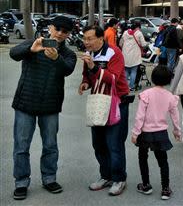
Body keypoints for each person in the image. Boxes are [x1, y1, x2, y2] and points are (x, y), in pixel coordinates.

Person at [10, 16, 77, 200]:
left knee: (50, 145)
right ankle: (21, 182)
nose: (60, 34)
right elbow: (13, 54)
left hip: (50, 105)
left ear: (69, 34)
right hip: (25, 103)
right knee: (21, 146)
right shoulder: (35, 43)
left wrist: (56, 58)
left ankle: (49, 178)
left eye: (65, 31)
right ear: (50, 28)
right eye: (58, 29)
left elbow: (67, 70)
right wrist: (31, 49)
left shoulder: (68, 54)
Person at [79, 25, 131, 196]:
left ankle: (119, 178)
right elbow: (87, 75)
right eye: (84, 38)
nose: (86, 42)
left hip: (117, 102)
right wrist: (85, 82)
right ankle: (106, 175)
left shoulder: (114, 53)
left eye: (90, 38)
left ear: (101, 39)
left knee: (114, 143)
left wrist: (94, 67)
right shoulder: (90, 54)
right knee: (98, 142)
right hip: (99, 102)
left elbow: (113, 79)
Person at [131, 65, 181, 200]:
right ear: (168, 80)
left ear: (152, 78)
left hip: (145, 132)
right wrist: (177, 131)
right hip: (161, 132)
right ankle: (165, 188)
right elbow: (175, 116)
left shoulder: (146, 94)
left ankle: (146, 185)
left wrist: (135, 133)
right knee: (163, 161)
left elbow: (140, 116)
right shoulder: (170, 97)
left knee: (143, 158)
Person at [119, 21, 148, 91]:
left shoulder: (125, 32)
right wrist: (147, 43)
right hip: (135, 55)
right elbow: (143, 44)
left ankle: (125, 86)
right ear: (138, 27)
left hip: (125, 54)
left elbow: (120, 43)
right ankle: (131, 87)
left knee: (126, 71)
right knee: (133, 71)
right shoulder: (139, 33)